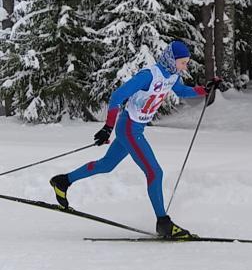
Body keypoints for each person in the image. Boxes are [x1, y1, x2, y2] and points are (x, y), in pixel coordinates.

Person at [50, 40, 219, 239]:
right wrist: (107, 127)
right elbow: (117, 96)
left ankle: (62, 181)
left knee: (106, 165)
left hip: (134, 128)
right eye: (183, 62)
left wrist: (204, 90)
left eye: (186, 62)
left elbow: (181, 91)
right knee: (154, 172)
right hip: (129, 128)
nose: (185, 66)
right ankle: (163, 222)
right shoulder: (149, 75)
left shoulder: (172, 75)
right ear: (172, 60)